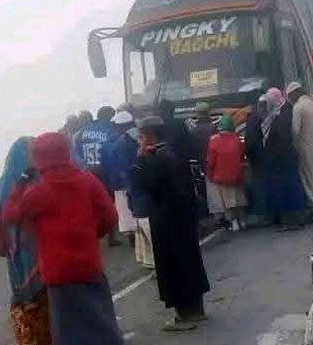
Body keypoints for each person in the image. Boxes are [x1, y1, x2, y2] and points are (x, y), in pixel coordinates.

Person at [1, 132, 123, 345]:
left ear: (39, 158)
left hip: (59, 274)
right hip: (89, 266)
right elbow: (110, 216)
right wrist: (92, 234)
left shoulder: (39, 193)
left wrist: (20, 183)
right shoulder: (87, 181)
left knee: (68, 333)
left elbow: (9, 215)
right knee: (103, 325)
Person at [133, 116, 210, 331]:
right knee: (190, 261)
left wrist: (140, 161)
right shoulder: (174, 152)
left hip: (167, 221)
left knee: (173, 267)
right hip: (184, 217)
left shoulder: (156, 158)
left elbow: (146, 185)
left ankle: (183, 315)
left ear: (150, 135)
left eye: (141, 136)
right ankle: (197, 309)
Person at [0, 137, 51, 345]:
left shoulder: (0, 184)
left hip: (16, 255)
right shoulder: (42, 179)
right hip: (43, 250)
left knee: (25, 301)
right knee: (49, 305)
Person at [74, 106, 122, 246]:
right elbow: (111, 152)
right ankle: (111, 237)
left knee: (89, 205)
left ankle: (90, 235)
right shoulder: (107, 131)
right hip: (104, 171)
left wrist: (84, 166)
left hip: (88, 171)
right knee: (108, 202)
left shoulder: (81, 134)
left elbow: (77, 154)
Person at [262, 88, 306, 230]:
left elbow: (283, 134)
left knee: (290, 187)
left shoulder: (286, 110)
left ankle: (295, 219)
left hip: (284, 157)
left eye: (269, 101)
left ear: (274, 99)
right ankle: (293, 219)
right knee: (288, 187)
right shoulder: (280, 111)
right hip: (282, 157)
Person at [285, 81, 313, 219]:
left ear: (294, 94)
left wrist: (292, 146)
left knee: (308, 178)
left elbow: (295, 131)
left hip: (304, 148)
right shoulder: (312, 104)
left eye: (289, 96)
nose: (289, 99)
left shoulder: (299, 107)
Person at [103, 111, 139, 247]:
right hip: (135, 180)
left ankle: (133, 241)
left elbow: (111, 165)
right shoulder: (139, 137)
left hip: (120, 182)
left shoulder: (116, 143)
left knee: (126, 214)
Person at [206, 115, 247, 231]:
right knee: (239, 198)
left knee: (227, 201)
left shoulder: (213, 141)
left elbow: (210, 162)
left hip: (221, 177)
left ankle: (233, 222)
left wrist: (209, 175)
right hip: (237, 176)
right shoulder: (237, 140)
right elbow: (242, 157)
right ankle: (243, 220)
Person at [245, 93, 268, 219]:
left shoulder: (252, 118)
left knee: (259, 186)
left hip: (257, 158)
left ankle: (264, 214)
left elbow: (250, 141)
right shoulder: (266, 115)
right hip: (265, 156)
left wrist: (249, 155)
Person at [157, 100, 193, 165]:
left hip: (163, 166)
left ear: (160, 112)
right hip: (181, 164)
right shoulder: (181, 125)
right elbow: (189, 144)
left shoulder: (156, 128)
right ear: (173, 111)